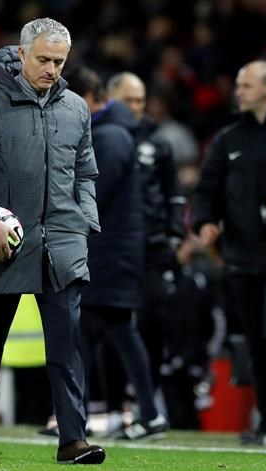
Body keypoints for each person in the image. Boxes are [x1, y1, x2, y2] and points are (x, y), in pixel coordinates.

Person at [0, 18, 105, 465]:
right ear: (20, 55)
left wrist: (84, 224)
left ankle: (73, 440)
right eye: (43, 59)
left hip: (63, 240)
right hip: (3, 242)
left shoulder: (77, 108)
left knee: (67, 345)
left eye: (59, 61)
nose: (52, 69)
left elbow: (86, 173)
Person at [192, 60, 266, 446]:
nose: (238, 91)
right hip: (242, 256)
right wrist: (204, 221)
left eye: (246, 85)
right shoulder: (228, 139)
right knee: (257, 341)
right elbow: (206, 188)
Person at [65, 66, 168, 439]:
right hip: (111, 251)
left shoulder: (108, 138)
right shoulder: (115, 135)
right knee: (106, 331)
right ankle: (127, 412)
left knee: (114, 332)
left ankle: (144, 412)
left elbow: (94, 195)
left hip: (110, 253)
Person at [106, 72, 187, 400]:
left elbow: (174, 194)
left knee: (153, 323)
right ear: (111, 100)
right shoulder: (100, 136)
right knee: (111, 325)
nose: (137, 107)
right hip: (114, 248)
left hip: (151, 248)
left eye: (140, 100)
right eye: (129, 100)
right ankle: (111, 403)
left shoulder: (157, 141)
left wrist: (174, 236)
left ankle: (147, 398)